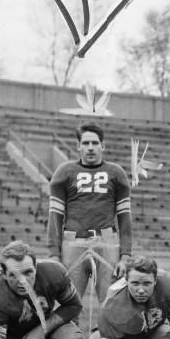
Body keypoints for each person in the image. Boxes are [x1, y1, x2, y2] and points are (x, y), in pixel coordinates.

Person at [47, 123, 133, 323]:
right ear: (78, 146)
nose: (91, 147)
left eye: (95, 143)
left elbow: (125, 217)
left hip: (107, 242)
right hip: (73, 243)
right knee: (69, 304)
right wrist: (53, 253)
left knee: (111, 302)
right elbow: (55, 216)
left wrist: (125, 254)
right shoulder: (64, 172)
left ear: (103, 145)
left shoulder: (116, 173)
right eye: (86, 143)